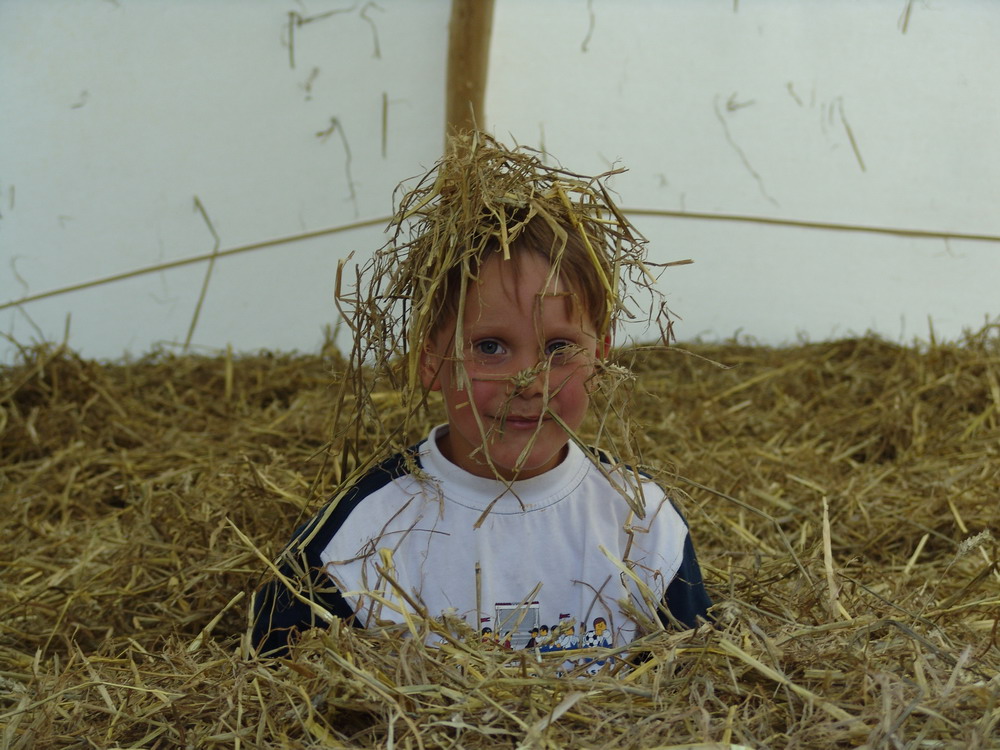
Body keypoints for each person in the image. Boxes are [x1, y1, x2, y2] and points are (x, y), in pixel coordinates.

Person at [250, 134, 711, 657]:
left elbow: (698, 679)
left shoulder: (642, 522)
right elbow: (274, 677)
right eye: (490, 347)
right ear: (430, 360)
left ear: (600, 358)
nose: (528, 381)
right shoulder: (367, 530)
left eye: (559, 348)